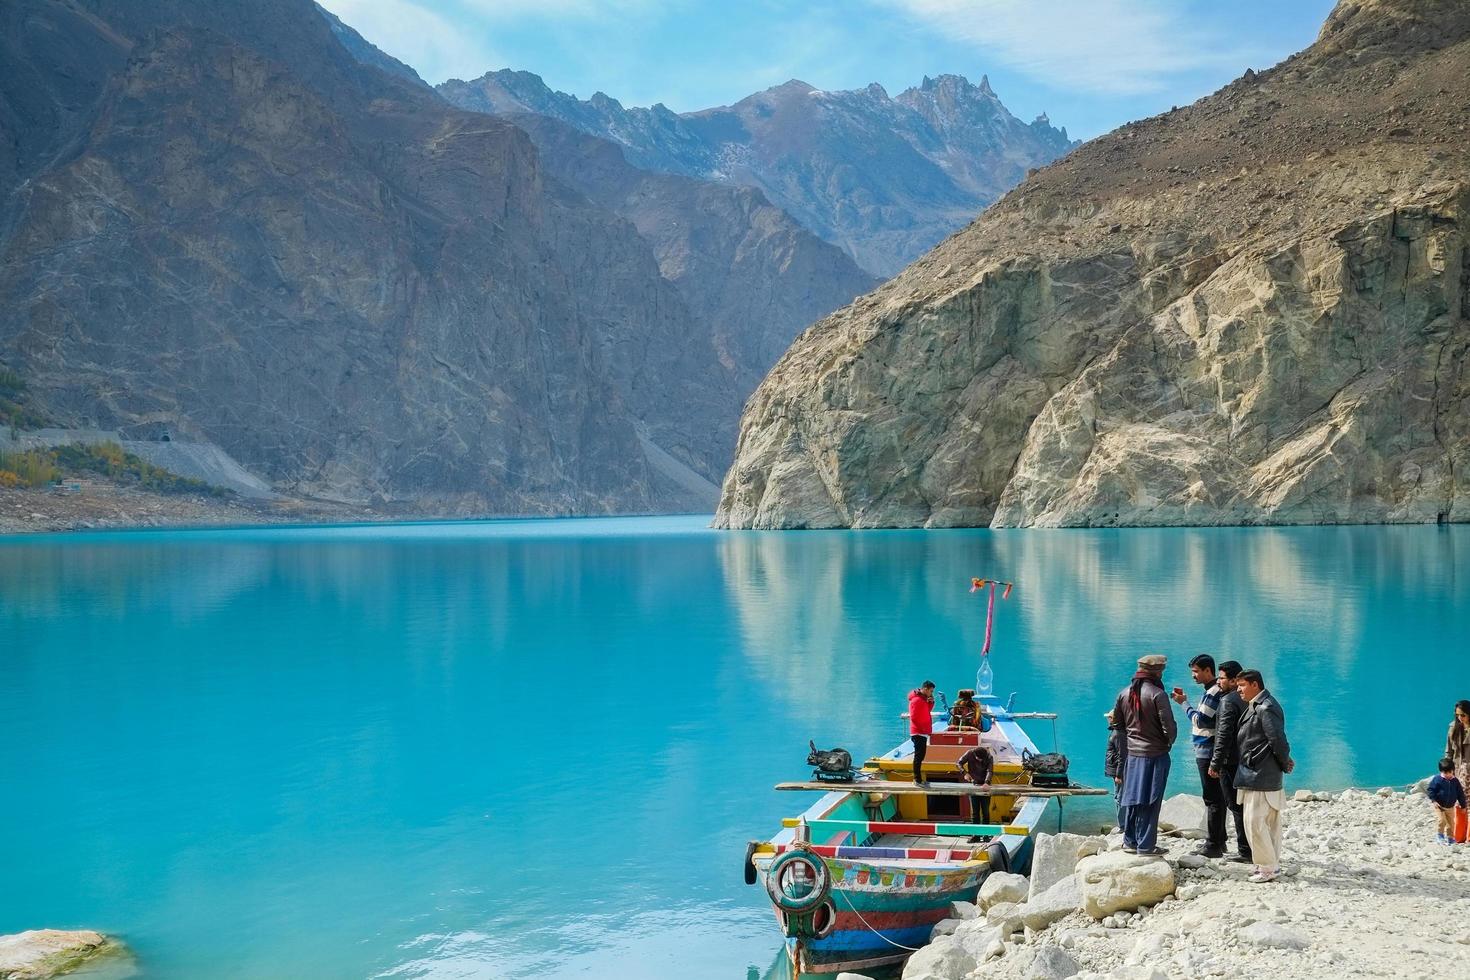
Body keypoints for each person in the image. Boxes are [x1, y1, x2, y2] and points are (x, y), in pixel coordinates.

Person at [1233, 669, 1294, 883]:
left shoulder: (1266, 707)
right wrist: (1284, 761)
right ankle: (1268, 864)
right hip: (1257, 770)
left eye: (1241, 685)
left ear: (1255, 685)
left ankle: (1268, 867)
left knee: (1256, 822)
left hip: (1260, 772)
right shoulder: (1259, 704)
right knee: (1263, 822)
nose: (1238, 689)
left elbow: (1277, 739)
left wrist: (1285, 761)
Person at [1112, 653, 1177, 856]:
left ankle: (1130, 841)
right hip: (1155, 755)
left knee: (1132, 798)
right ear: (1157, 672)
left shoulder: (1124, 693)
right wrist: (1167, 742)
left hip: (1132, 755)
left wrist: (1129, 745)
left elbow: (1117, 725)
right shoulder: (1158, 694)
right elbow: (1170, 728)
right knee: (1151, 799)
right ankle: (1146, 845)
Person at [1171, 653, 1225, 858]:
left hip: (1207, 750)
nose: (1193, 676)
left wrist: (1183, 704)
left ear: (1207, 671)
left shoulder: (1213, 692)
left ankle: (1213, 845)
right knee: (1217, 797)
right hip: (1208, 749)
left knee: (1211, 797)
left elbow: (1201, 721)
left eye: (1196, 671)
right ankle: (1220, 840)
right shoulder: (1212, 691)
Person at [1207, 661, 1251, 863]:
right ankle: (1252, 847)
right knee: (1246, 805)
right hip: (1246, 758)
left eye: (1222, 678)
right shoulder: (1247, 699)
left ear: (1234, 680)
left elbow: (1223, 735)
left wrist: (1215, 764)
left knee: (1235, 805)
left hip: (1230, 761)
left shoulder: (1227, 701)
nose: (1218, 681)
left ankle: (1245, 851)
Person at [1427, 757, 1466, 845]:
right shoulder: (1437, 779)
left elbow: (1460, 794)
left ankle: (1450, 838)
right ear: (1441, 771)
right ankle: (1439, 836)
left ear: (1453, 770)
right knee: (1442, 820)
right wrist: (1434, 801)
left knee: (1451, 823)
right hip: (1439, 805)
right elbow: (1430, 790)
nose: (1448, 774)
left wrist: (1463, 806)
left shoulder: (1455, 781)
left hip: (1450, 807)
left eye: (1450, 772)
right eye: (1445, 773)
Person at [958, 741, 994, 823]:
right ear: (974, 755)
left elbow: (990, 770)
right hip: (973, 785)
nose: (981, 760)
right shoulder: (969, 753)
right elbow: (958, 763)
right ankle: (976, 834)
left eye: (982, 759)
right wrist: (965, 773)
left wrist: (986, 782)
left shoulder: (989, 757)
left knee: (985, 812)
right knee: (975, 812)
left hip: (985, 786)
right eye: (979, 759)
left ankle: (986, 834)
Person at [908, 681, 936, 786]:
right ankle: (917, 780)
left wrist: (931, 703)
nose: (931, 693)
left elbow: (926, 711)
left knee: (921, 756)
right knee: (918, 757)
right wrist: (923, 728)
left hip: (922, 732)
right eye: (931, 691)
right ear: (925, 689)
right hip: (918, 732)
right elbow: (914, 717)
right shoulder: (916, 700)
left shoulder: (923, 700)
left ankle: (918, 779)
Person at [1104, 709, 1128, 831]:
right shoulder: (1116, 732)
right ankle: (1123, 824)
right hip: (1117, 772)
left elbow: (1122, 756)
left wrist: (1118, 774)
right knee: (1118, 797)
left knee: (1120, 797)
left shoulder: (1118, 734)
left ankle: (1123, 826)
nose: (1108, 719)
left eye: (1109, 717)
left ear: (1114, 719)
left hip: (1120, 774)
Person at [1446, 700, 1470, 792]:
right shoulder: (1453, 728)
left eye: (1463, 715)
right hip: (1458, 768)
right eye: (1457, 715)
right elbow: (1449, 751)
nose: (1460, 718)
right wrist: (1447, 768)